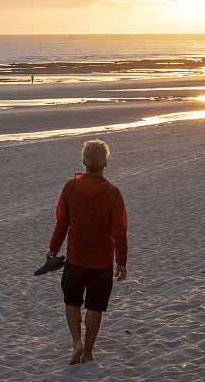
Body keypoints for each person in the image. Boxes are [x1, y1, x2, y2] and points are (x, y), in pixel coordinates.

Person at [47, 139, 128, 365]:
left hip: (76, 258)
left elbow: (62, 222)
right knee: (95, 307)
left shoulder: (70, 188)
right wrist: (122, 261)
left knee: (72, 302)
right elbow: (120, 231)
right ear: (106, 164)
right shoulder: (113, 193)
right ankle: (88, 353)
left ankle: (76, 343)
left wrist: (53, 248)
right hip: (101, 261)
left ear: (83, 162)